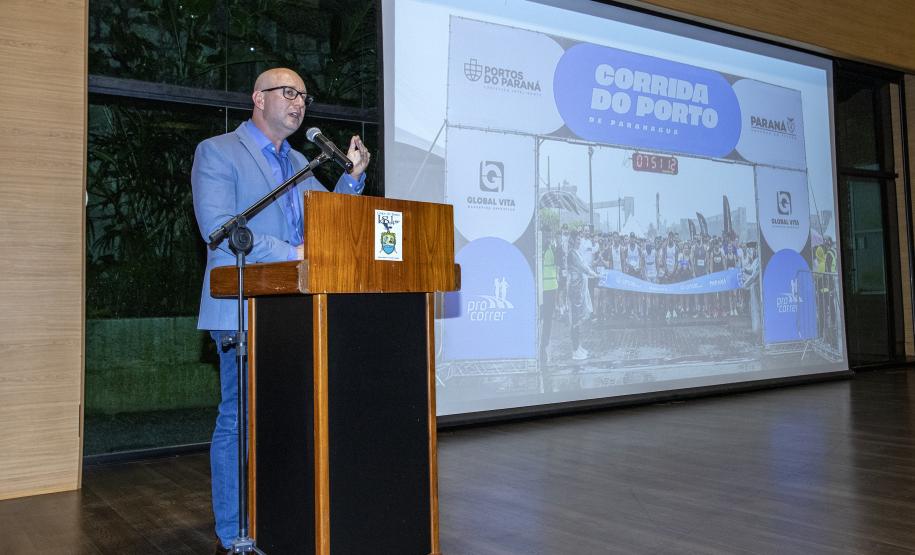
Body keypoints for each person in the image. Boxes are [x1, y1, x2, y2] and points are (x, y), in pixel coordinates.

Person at [191, 67, 371, 553]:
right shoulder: (218, 152)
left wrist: (352, 180)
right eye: (288, 93)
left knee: (292, 419)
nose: (298, 103)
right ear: (257, 97)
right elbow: (222, 228)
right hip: (243, 307)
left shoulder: (299, 162)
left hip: (296, 313)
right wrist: (292, 253)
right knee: (238, 420)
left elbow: (324, 226)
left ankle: (286, 518)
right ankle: (234, 534)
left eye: (304, 97)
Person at [567, 231, 598, 360]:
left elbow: (584, 265)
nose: (579, 241)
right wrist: (593, 273)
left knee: (578, 320)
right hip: (575, 291)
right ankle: (575, 351)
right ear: (573, 240)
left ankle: (578, 347)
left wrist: (591, 272)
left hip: (579, 290)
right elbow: (583, 267)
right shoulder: (572, 253)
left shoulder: (577, 252)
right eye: (577, 239)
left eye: (580, 239)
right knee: (575, 320)